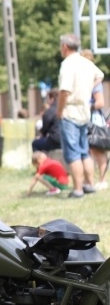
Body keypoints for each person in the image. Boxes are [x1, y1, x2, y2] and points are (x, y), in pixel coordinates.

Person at [57, 33, 104, 198]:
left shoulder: (68, 64)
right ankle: (89, 184)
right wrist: (87, 88)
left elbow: (64, 91)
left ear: (64, 46)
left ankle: (77, 189)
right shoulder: (86, 62)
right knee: (84, 151)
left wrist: (59, 111)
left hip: (70, 111)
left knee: (73, 153)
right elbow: (100, 75)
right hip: (84, 112)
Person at [82, 50, 108, 189]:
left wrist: (86, 105)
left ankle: (102, 180)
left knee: (98, 150)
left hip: (94, 120)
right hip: (86, 117)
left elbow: (100, 102)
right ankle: (89, 181)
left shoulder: (95, 81)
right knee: (88, 150)